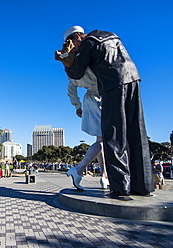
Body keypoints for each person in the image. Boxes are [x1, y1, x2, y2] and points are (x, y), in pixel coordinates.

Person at [56, 26, 154, 199]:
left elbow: (76, 73)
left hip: (110, 86)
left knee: (112, 135)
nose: (75, 48)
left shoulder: (87, 45)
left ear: (78, 36)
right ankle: (142, 185)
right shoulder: (110, 35)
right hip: (132, 77)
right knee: (135, 131)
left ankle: (119, 188)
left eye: (74, 44)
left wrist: (66, 65)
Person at [64, 64, 109, 190]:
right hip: (101, 97)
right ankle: (79, 169)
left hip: (89, 100)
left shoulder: (72, 70)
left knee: (100, 141)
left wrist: (77, 106)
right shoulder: (90, 60)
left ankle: (104, 176)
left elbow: (71, 90)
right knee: (102, 140)